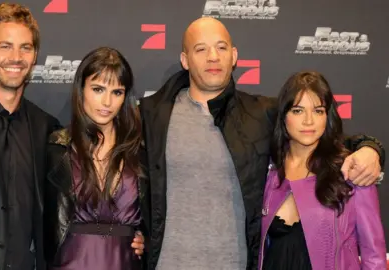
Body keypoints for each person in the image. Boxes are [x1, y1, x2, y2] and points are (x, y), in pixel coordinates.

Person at [0, 4, 144, 269]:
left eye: (26, 47)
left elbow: (62, 213)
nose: (16, 57)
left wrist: (130, 234)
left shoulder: (47, 129)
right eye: (5, 46)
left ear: (34, 57)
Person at [138, 17, 384, 270]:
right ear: (185, 59)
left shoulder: (261, 113)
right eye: (201, 49)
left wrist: (370, 148)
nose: (213, 56)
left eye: (221, 47)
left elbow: (316, 133)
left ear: (234, 56)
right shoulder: (153, 115)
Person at [259, 71, 386, 269]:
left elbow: (374, 256)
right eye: (298, 110)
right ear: (284, 116)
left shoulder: (350, 171)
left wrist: (371, 148)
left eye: (318, 110)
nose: (309, 120)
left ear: (328, 116)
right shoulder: (268, 172)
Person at [44, 47, 149, 270]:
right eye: (98, 89)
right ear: (81, 90)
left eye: (117, 92)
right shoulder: (57, 148)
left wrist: (147, 241)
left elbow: (158, 215)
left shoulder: (140, 152)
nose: (107, 102)